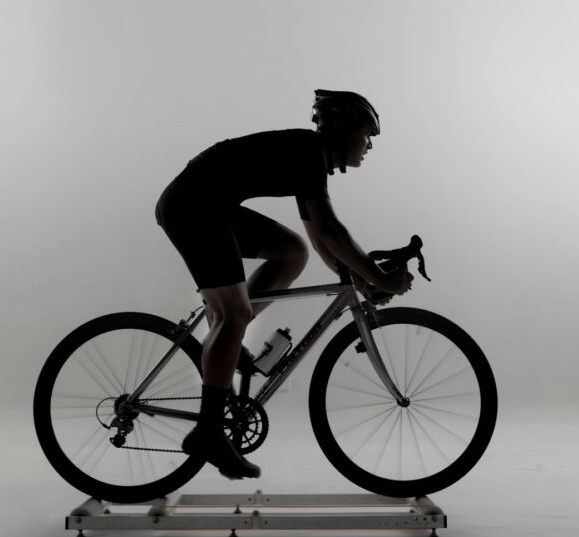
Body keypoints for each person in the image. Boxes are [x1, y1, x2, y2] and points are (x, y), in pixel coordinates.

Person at [153, 89, 414, 479]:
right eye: (367, 134)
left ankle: (226, 330)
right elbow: (332, 230)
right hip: (194, 207)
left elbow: (320, 240)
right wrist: (379, 279)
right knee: (233, 314)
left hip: (204, 204)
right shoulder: (309, 153)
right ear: (344, 131)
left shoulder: (309, 157)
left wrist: (362, 283)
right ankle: (208, 431)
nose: (370, 145)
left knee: (292, 252)